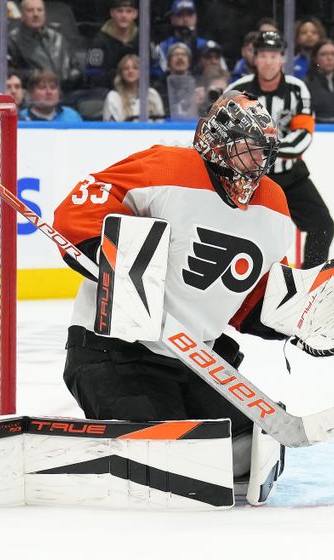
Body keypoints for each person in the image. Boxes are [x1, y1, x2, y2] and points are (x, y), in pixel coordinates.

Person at [53, 90, 292, 498]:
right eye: (245, 150)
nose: (255, 164)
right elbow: (78, 210)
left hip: (195, 359)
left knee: (254, 445)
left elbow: (248, 297)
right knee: (160, 455)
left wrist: (303, 318)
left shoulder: (275, 204)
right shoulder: (165, 165)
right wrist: (113, 258)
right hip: (116, 351)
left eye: (263, 153)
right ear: (214, 141)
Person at [227, 31, 334, 269]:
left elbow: (303, 137)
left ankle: (308, 282)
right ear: (254, 58)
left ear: (283, 59)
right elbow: (226, 135)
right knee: (241, 232)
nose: (268, 61)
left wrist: (259, 147)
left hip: (290, 174)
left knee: (322, 224)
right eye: (263, 55)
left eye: (273, 55)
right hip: (249, 178)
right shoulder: (237, 90)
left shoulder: (297, 89)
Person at [8, 0, 82, 95]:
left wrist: (68, 78)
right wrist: (36, 75)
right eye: (30, 10)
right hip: (34, 96)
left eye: (39, 10)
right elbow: (8, 73)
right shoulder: (11, 40)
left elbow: (76, 67)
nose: (36, 14)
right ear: (22, 15)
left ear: (45, 14)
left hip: (66, 92)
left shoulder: (59, 38)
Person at [86, 0, 139, 88]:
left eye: (128, 11)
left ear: (135, 14)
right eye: (119, 11)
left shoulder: (143, 39)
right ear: (112, 13)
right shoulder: (98, 43)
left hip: (139, 91)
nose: (124, 15)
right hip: (108, 91)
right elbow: (92, 76)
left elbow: (155, 71)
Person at [157, 0, 219, 75]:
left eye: (190, 15)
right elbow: (163, 75)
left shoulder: (208, 46)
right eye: (180, 15)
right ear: (172, 19)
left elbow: (221, 74)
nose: (185, 19)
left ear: (196, 17)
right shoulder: (163, 47)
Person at [102, 54, 164, 121]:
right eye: (126, 68)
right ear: (121, 73)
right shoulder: (113, 97)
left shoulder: (152, 94)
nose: (130, 71)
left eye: (135, 68)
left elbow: (160, 122)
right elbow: (111, 127)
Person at [305, 39, 334, 124]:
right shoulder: (306, 84)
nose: (329, 58)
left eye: (333, 54)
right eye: (323, 54)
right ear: (315, 59)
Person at [160, 41, 197, 120]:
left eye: (184, 54)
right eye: (175, 55)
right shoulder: (159, 86)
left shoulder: (198, 85)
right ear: (169, 62)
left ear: (189, 62)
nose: (180, 57)